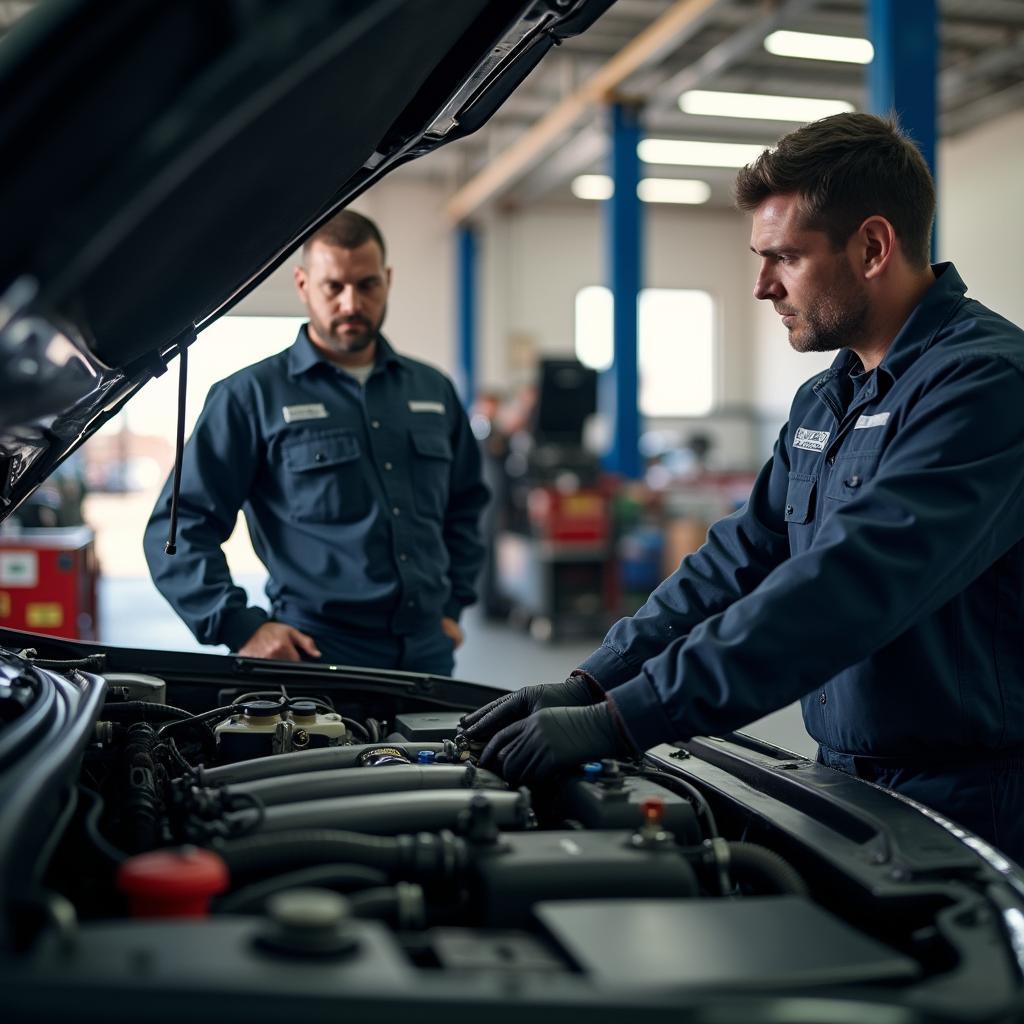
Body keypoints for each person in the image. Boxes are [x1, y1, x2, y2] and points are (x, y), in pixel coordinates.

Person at [462, 112, 1024, 862]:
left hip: (974, 797)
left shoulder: (984, 385)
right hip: (849, 779)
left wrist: (629, 718)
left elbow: (848, 585)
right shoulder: (828, 397)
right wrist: (594, 683)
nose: (761, 286)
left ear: (873, 247)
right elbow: (739, 559)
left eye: (784, 258)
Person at [144, 210, 488, 675]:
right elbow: (179, 526)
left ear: (387, 281)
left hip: (427, 653)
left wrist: (453, 605)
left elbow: (466, 505)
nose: (351, 303)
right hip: (317, 656)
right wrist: (239, 627)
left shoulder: (432, 390)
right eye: (334, 287)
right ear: (303, 284)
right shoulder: (249, 397)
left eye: (367, 285)